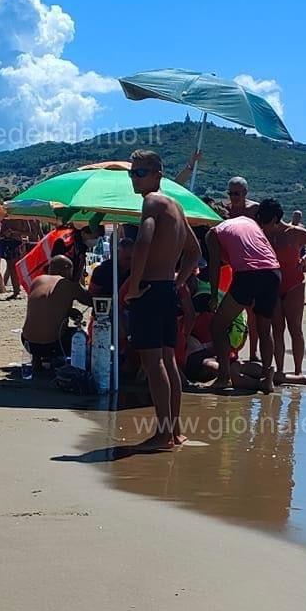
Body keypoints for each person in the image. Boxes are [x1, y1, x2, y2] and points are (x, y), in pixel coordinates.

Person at [124, 148, 197, 450]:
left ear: (157, 175)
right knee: (168, 361)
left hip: (151, 290)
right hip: (166, 289)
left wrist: (134, 285)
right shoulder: (177, 207)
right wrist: (179, 281)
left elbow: (143, 242)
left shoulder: (152, 202)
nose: (134, 179)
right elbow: (195, 251)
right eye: (132, 172)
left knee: (154, 365)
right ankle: (175, 430)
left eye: (140, 173)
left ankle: (162, 434)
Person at [206, 208, 283, 395]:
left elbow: (215, 265)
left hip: (249, 274)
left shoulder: (213, 232)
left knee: (218, 325)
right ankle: (266, 376)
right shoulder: (249, 222)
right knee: (264, 328)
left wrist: (215, 295)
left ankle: (223, 376)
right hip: (273, 271)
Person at [253, 198, 306, 379]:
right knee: (277, 329)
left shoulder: (294, 233)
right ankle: (279, 370)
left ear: (276, 218)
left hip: (294, 284)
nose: (263, 225)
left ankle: (298, 370)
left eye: (266, 221)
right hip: (273, 286)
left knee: (295, 328)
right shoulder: (263, 234)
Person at [21, 255, 92, 372]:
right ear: (68, 269)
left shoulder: (37, 280)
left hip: (28, 342)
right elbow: (90, 300)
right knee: (78, 335)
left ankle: (37, 360)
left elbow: (46, 306)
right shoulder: (68, 284)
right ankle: (58, 360)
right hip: (54, 344)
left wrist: (68, 311)